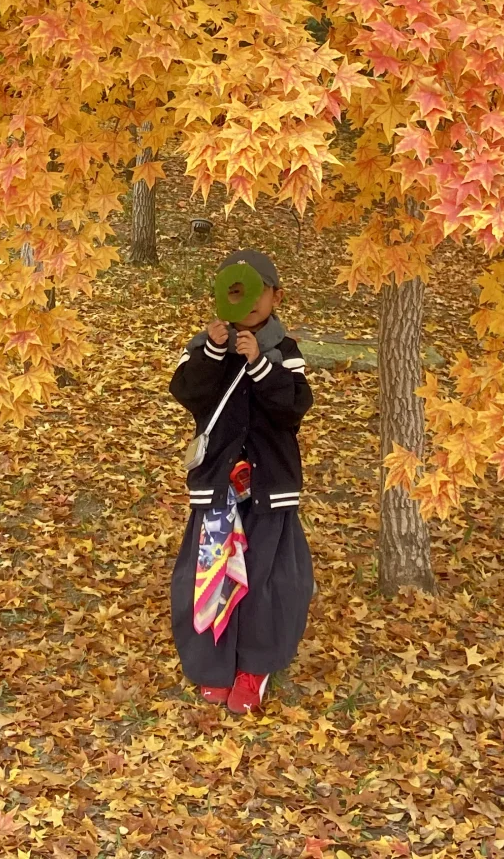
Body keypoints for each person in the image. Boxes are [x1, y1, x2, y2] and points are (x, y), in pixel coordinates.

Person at [169, 248, 314, 713]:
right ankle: (212, 666)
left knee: (265, 578)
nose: (246, 302)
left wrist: (260, 365)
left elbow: (293, 410)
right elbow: (188, 394)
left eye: (257, 291)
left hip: (270, 487)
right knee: (210, 574)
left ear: (276, 296)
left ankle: (255, 666)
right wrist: (214, 353)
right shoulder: (204, 346)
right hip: (218, 485)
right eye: (234, 291)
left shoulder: (284, 351)